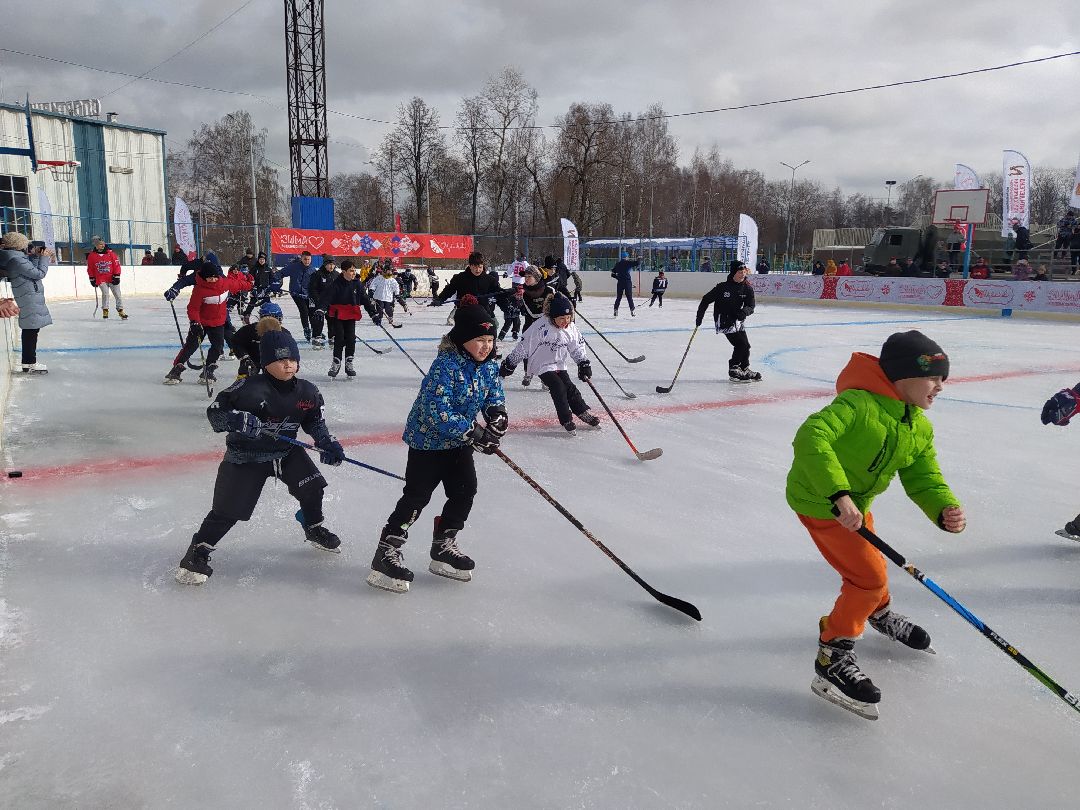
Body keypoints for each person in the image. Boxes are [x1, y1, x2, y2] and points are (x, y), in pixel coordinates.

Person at [786, 331, 964, 719]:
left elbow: (924, 476)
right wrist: (837, 493)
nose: (940, 387)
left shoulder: (917, 425)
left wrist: (943, 508)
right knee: (866, 578)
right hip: (821, 501)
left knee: (872, 568)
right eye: (934, 377)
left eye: (943, 378)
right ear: (901, 377)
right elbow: (811, 435)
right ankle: (832, 654)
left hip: (854, 504)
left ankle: (876, 611)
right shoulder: (858, 403)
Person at [175, 323, 346, 585]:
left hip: (286, 452)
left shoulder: (308, 391)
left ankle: (313, 527)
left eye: (292, 359)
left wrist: (326, 441)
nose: (288, 365)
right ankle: (199, 549)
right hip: (246, 456)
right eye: (280, 359)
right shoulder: (246, 388)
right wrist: (234, 420)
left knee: (313, 489)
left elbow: (313, 421)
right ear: (266, 362)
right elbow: (215, 413)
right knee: (228, 510)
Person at [368, 294, 507, 594]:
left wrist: (497, 415)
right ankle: (386, 551)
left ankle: (444, 544)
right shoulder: (446, 365)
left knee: (465, 490)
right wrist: (473, 432)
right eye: (478, 339)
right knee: (417, 497)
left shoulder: (490, 366)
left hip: (458, 445)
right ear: (461, 339)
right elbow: (436, 411)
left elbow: (494, 394)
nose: (485, 345)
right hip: (427, 444)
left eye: (489, 339)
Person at [501, 293, 599, 433]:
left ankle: (582, 412)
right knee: (558, 387)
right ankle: (566, 419)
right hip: (541, 364)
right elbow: (524, 346)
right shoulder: (540, 327)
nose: (566, 321)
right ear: (553, 318)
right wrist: (510, 363)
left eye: (568, 317)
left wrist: (583, 363)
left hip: (559, 363)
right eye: (561, 318)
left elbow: (576, 347)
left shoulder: (571, 328)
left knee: (570, 388)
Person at [163, 261, 253, 385]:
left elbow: (240, 284)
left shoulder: (225, 283)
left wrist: (250, 284)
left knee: (217, 346)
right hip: (201, 323)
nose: (213, 279)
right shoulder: (200, 290)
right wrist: (194, 322)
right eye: (210, 277)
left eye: (215, 277)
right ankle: (176, 369)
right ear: (204, 277)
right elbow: (193, 308)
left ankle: (209, 368)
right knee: (191, 346)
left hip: (218, 322)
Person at [695, 260, 760, 382]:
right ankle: (734, 368)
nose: (742, 274)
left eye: (744, 272)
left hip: (737, 319)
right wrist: (699, 318)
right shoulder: (722, 287)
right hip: (724, 320)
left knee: (746, 346)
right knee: (741, 344)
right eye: (740, 272)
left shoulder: (747, 288)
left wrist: (744, 312)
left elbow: (751, 306)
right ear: (733, 273)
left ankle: (744, 368)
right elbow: (705, 300)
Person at [0, 234, 52, 373]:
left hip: (30, 295)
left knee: (32, 329)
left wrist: (35, 257)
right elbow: (39, 273)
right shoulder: (16, 260)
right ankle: (29, 363)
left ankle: (29, 362)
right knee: (31, 330)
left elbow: (31, 271)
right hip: (28, 297)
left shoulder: (17, 258)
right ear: (19, 245)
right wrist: (44, 257)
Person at [318, 259, 376, 378]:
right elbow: (326, 298)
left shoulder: (357, 284)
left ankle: (349, 362)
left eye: (354, 270)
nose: (354, 273)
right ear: (344, 271)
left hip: (351, 314)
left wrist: (373, 314)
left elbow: (365, 300)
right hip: (338, 315)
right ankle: (336, 362)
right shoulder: (335, 284)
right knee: (339, 338)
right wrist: (320, 309)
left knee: (351, 338)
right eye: (351, 271)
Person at [229, 301, 289, 380]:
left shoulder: (284, 334)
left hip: (271, 360)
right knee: (245, 376)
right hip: (251, 359)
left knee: (277, 380)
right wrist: (244, 357)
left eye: (276, 319)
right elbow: (236, 341)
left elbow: (288, 351)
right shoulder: (249, 330)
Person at [86, 238, 127, 320]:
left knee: (117, 294)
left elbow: (116, 265)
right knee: (105, 294)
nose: (103, 245)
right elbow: (90, 268)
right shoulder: (92, 256)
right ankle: (105, 310)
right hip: (101, 278)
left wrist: (117, 275)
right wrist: (91, 278)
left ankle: (120, 310)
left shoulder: (110, 254)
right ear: (96, 246)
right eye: (100, 244)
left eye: (103, 244)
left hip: (112, 278)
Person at [305, 256, 337, 349]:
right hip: (319, 302)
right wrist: (319, 301)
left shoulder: (337, 275)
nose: (331, 266)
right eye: (329, 264)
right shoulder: (318, 274)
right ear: (325, 264)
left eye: (333, 264)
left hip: (332, 303)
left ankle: (333, 337)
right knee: (319, 320)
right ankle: (316, 337)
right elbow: (312, 289)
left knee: (332, 320)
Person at [283, 250, 315, 341]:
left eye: (309, 259)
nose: (307, 261)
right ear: (301, 258)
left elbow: (316, 283)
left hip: (308, 295)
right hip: (297, 294)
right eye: (305, 259)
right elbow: (281, 273)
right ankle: (306, 329)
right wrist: (276, 282)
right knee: (304, 310)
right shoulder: (294, 267)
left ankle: (315, 330)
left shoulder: (312, 269)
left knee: (312, 312)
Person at [370, 264, 403, 328]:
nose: (389, 272)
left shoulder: (392, 280)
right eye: (388, 271)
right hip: (379, 297)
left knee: (388, 309)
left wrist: (397, 294)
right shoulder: (379, 278)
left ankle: (390, 317)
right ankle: (379, 318)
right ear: (384, 271)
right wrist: (371, 290)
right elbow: (373, 284)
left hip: (388, 298)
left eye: (390, 271)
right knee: (380, 309)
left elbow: (396, 287)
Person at [610, 251, 639, 317]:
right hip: (627, 282)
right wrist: (639, 258)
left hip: (620, 282)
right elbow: (637, 263)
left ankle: (615, 310)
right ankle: (632, 310)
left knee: (619, 297)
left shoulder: (618, 264)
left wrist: (618, 277)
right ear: (626, 257)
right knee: (629, 297)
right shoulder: (628, 263)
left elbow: (613, 273)